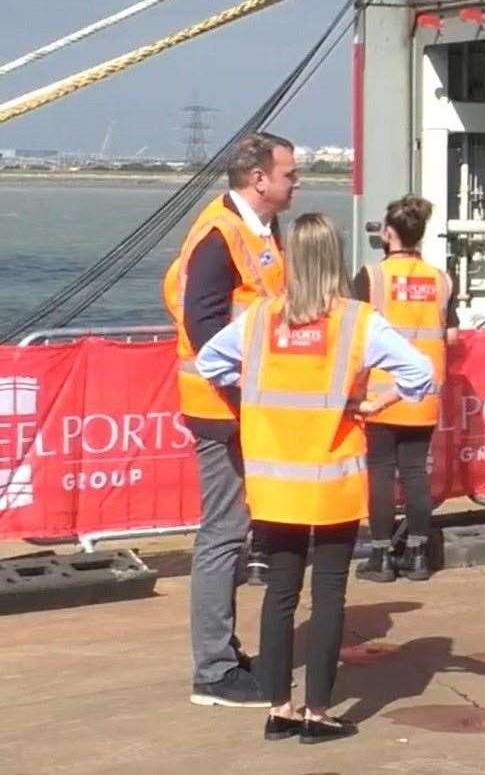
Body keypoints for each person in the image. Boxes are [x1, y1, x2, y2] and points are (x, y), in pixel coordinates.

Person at [195, 213, 434, 744]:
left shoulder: (259, 318)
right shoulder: (357, 321)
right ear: (336, 260)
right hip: (330, 482)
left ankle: (278, 707)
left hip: (275, 481)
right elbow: (421, 373)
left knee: (279, 593)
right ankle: (317, 712)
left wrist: (252, 388)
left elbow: (210, 362)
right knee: (328, 595)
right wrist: (374, 400)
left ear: (293, 262)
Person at [163, 131, 295, 708]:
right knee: (220, 536)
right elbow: (204, 326)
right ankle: (212, 671)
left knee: (231, 534)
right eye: (289, 173)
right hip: (223, 410)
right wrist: (249, 393)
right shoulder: (221, 236)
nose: (296, 181)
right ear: (259, 179)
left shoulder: (256, 230)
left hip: (240, 405)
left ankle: (221, 653)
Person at [351, 195, 458, 583]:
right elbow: (453, 334)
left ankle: (380, 556)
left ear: (389, 233)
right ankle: (416, 554)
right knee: (415, 471)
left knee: (380, 471)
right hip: (424, 393)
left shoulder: (371, 276)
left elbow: (352, 332)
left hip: (379, 393)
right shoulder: (442, 280)